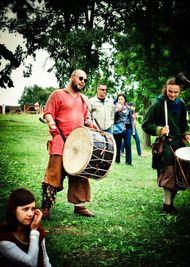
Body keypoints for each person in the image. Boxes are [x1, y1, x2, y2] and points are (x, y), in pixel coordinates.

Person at [41, 69, 97, 220]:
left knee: (80, 173)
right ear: (72, 77)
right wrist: (51, 121)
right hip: (60, 139)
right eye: (80, 78)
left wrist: (92, 126)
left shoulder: (84, 99)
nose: (82, 82)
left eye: (85, 80)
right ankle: (46, 208)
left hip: (78, 143)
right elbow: (48, 112)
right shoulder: (58, 94)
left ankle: (80, 207)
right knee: (54, 173)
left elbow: (85, 119)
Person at [142, 77, 190, 214]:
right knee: (169, 174)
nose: (173, 95)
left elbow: (184, 124)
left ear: (179, 91)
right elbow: (146, 124)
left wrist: (186, 133)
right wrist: (159, 130)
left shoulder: (181, 104)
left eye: (176, 92)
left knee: (179, 175)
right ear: (166, 89)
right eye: (170, 91)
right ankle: (167, 205)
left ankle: (170, 204)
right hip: (165, 144)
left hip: (179, 144)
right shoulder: (158, 104)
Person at [0, 188, 51, 267]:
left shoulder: (38, 230)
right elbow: (30, 263)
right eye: (25, 209)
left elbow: (45, 259)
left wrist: (35, 230)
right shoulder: (3, 236)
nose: (30, 214)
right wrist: (34, 231)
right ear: (13, 210)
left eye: (33, 209)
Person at [113, 94, 134, 165]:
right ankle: (117, 160)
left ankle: (128, 162)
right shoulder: (114, 108)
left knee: (127, 144)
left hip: (127, 128)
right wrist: (117, 111)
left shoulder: (128, 108)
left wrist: (132, 130)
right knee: (117, 145)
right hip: (118, 128)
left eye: (122, 99)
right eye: (119, 99)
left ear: (124, 100)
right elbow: (113, 119)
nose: (120, 100)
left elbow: (131, 119)